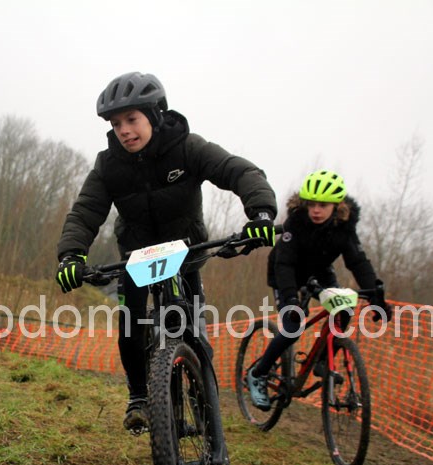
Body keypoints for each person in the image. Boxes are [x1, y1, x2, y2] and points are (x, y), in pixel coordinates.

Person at [55, 71, 278, 431]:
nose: (124, 130)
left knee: (195, 330)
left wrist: (261, 213)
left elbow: (237, 171)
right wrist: (71, 255)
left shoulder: (187, 147)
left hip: (186, 253)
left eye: (132, 119)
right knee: (132, 322)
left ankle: (204, 397)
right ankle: (139, 397)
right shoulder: (109, 165)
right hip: (137, 257)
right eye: (116, 124)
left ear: (154, 114)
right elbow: (85, 212)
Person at [247, 169, 391, 411]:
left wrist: (375, 295)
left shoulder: (344, 226)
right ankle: (258, 374)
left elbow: (357, 261)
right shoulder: (296, 222)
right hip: (286, 273)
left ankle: (323, 359)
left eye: (323, 205)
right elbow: (284, 263)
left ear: (337, 206)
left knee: (344, 308)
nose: (315, 210)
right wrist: (291, 299)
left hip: (319, 273)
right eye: (312, 204)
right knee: (293, 328)